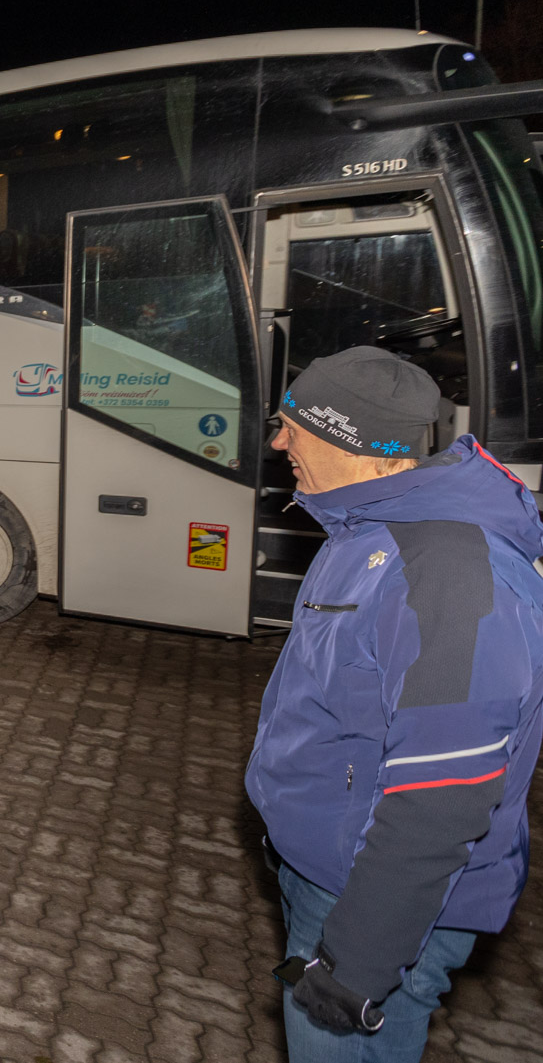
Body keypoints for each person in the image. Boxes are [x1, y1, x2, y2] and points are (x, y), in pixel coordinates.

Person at [246, 347, 543, 1062]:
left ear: (362, 446)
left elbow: (445, 794)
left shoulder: (446, 573)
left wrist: (357, 963)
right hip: (328, 870)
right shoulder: (370, 524)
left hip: (369, 902)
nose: (276, 442)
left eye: (294, 427)